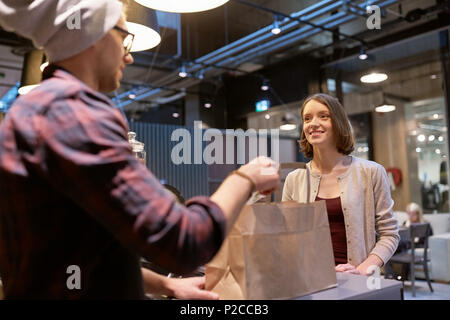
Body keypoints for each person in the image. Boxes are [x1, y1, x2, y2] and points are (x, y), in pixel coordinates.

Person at [0, 0, 280, 299]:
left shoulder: (36, 108)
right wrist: (245, 178)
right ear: (96, 33)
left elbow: (72, 253)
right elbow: (184, 242)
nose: (129, 55)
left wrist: (165, 284)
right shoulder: (73, 112)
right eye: (124, 36)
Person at [282, 93, 399, 276]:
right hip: (311, 282)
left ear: (338, 123)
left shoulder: (371, 172)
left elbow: (389, 235)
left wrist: (361, 271)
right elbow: (288, 238)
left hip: (360, 282)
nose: (313, 123)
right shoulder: (294, 179)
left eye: (323, 116)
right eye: (307, 118)